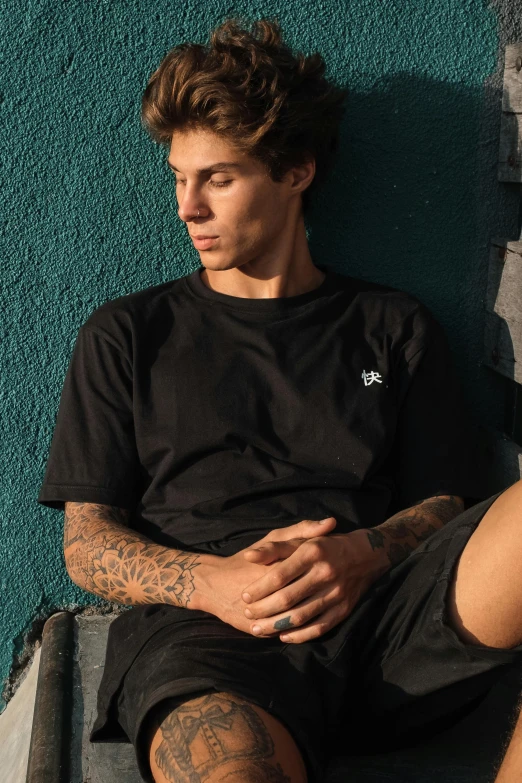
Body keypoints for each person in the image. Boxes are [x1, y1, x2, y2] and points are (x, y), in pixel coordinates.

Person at [37, 16, 522, 783]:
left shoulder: (391, 325)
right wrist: (214, 583)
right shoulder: (130, 332)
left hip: (387, 620)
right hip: (211, 640)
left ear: (296, 171)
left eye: (218, 178)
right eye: (178, 177)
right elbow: (87, 543)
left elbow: (444, 504)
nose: (186, 207)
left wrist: (360, 555)